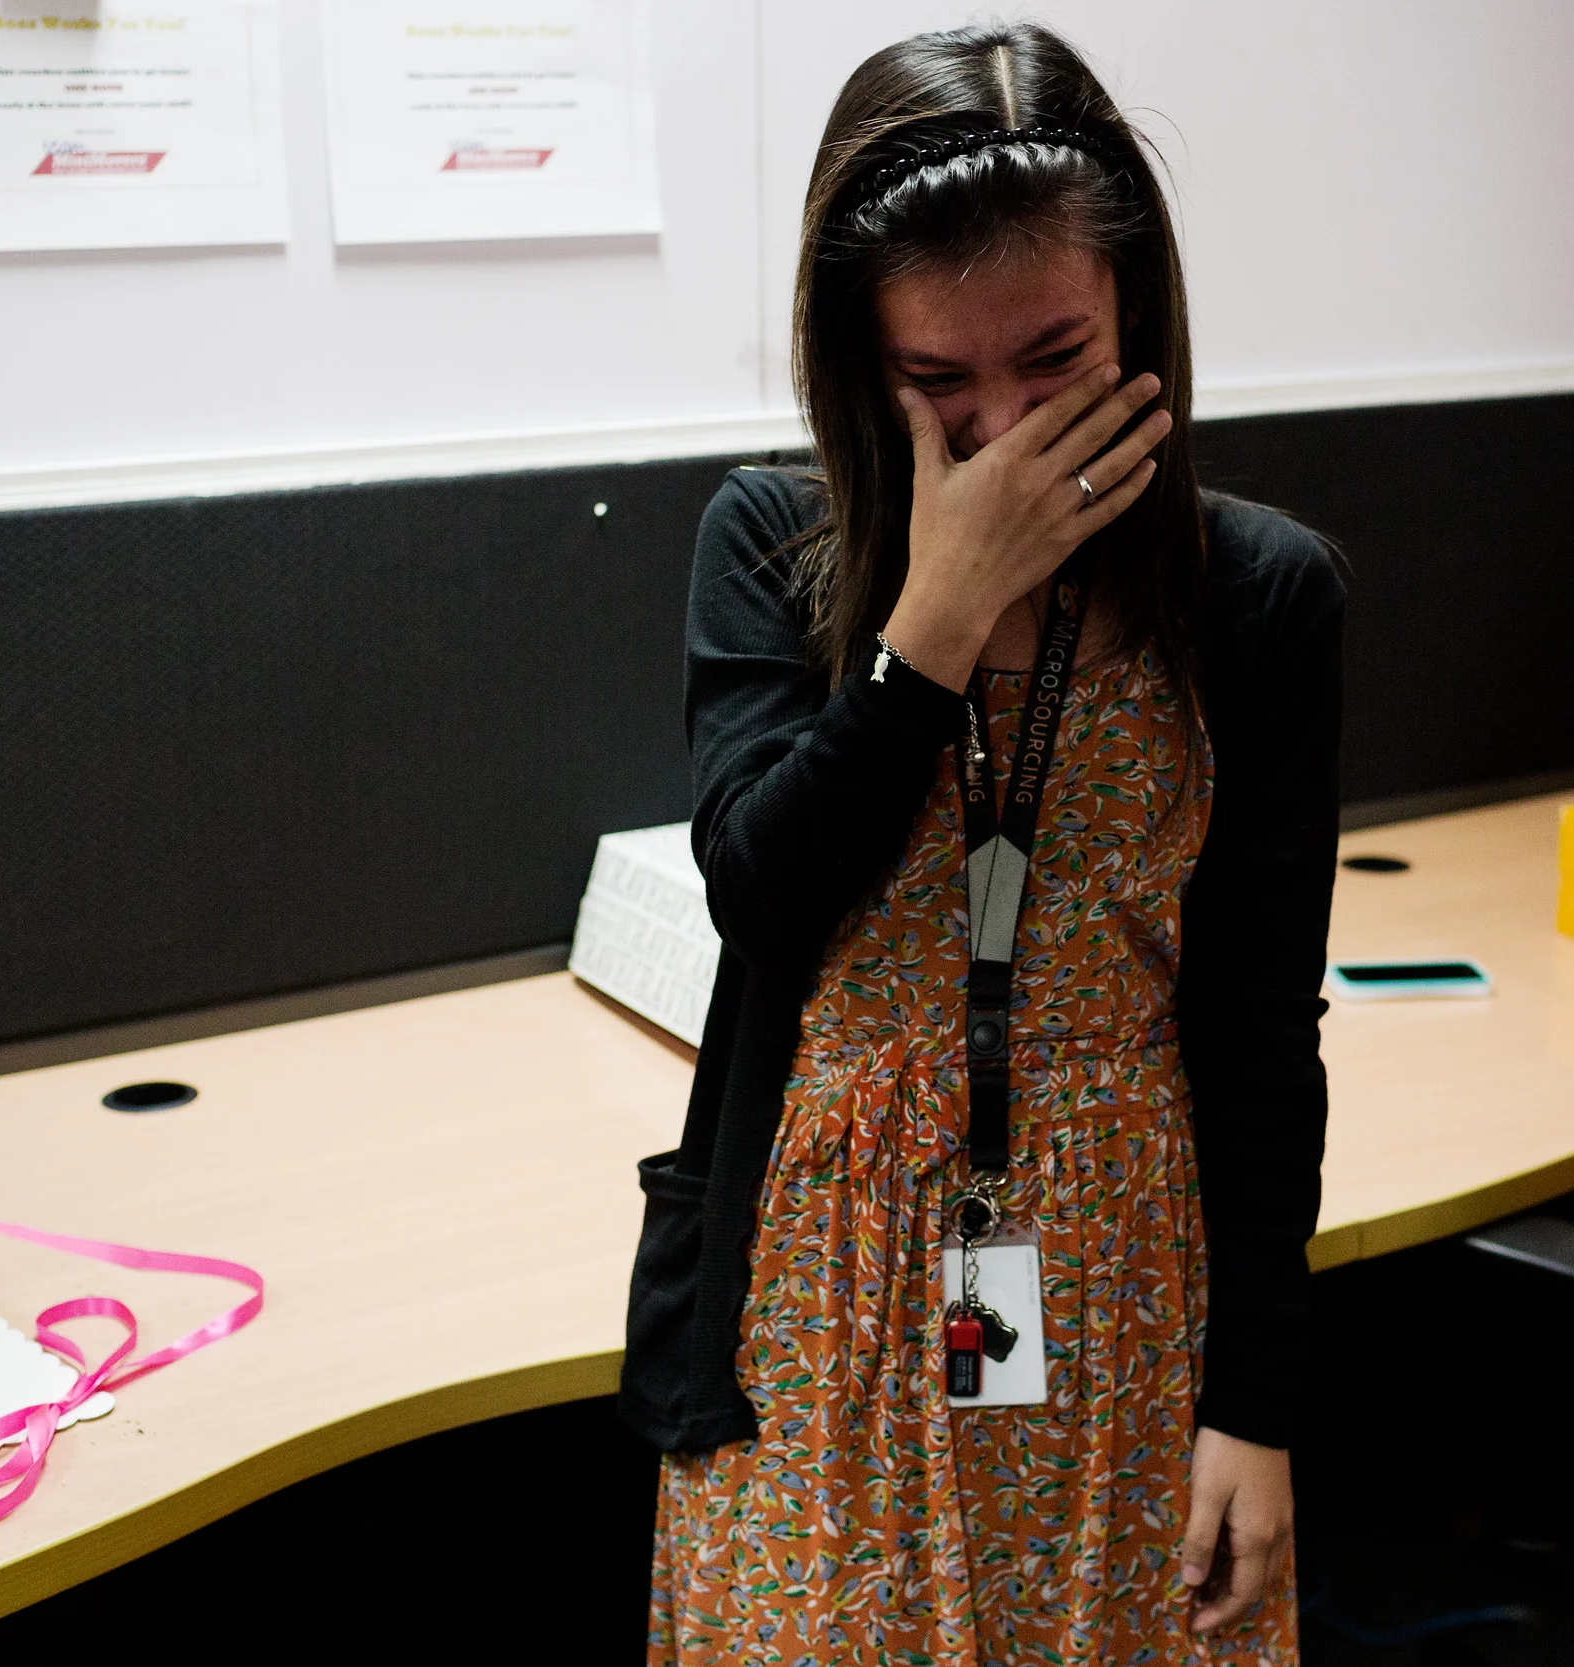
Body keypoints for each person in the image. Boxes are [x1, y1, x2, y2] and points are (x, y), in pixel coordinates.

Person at [618, 21, 1344, 1666]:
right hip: (828, 1283)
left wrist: (1260, 1402)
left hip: (1126, 1268)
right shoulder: (773, 548)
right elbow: (760, 887)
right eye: (940, 386)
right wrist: (931, 618)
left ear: (1137, 317)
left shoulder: (1255, 598)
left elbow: (1259, 1028)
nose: (1006, 431)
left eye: (1054, 361)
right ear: (859, 366)